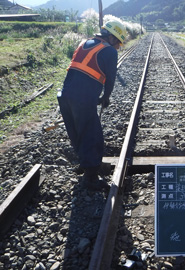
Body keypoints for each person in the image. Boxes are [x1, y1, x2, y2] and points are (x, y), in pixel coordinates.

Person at [57, 20, 127, 190]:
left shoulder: (84, 43)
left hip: (65, 95)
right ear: (111, 37)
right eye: (117, 42)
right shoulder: (108, 51)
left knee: (77, 133)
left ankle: (85, 164)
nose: (117, 47)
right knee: (92, 136)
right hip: (82, 99)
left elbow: (83, 75)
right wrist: (106, 97)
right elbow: (110, 80)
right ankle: (91, 179)